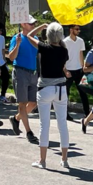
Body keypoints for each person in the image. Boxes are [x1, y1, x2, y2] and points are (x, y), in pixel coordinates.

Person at [25, 22, 70, 169]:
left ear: (48, 35)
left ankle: (42, 161)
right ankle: (64, 159)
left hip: (45, 88)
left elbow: (29, 35)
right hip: (61, 89)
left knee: (45, 125)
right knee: (62, 124)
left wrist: (41, 27)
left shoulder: (44, 48)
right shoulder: (64, 50)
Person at [8, 15, 40, 144]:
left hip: (33, 73)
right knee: (22, 103)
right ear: (23, 24)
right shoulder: (17, 38)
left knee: (33, 103)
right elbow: (11, 57)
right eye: (30, 23)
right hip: (20, 72)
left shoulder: (35, 38)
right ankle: (29, 132)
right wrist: (18, 44)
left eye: (33, 23)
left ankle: (16, 119)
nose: (33, 25)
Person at [63, 24, 87, 120]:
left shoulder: (80, 41)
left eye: (79, 29)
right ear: (71, 30)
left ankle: (87, 113)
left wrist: (83, 67)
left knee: (83, 92)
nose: (78, 31)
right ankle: (65, 114)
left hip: (79, 71)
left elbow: (81, 54)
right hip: (68, 70)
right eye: (77, 29)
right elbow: (63, 57)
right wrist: (65, 70)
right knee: (66, 94)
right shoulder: (65, 42)